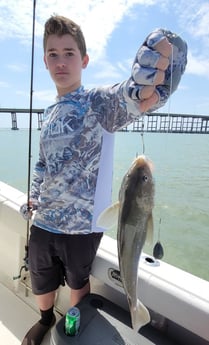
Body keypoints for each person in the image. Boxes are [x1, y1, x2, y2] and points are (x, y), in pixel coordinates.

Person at [20, 15, 187, 345]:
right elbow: (42, 164)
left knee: (78, 282)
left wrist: (150, 86)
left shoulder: (97, 102)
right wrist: (33, 195)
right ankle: (44, 319)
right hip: (44, 221)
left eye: (69, 53)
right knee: (41, 278)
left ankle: (79, 331)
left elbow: (130, 97)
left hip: (82, 228)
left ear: (84, 60)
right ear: (45, 61)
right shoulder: (48, 113)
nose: (61, 61)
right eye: (53, 54)